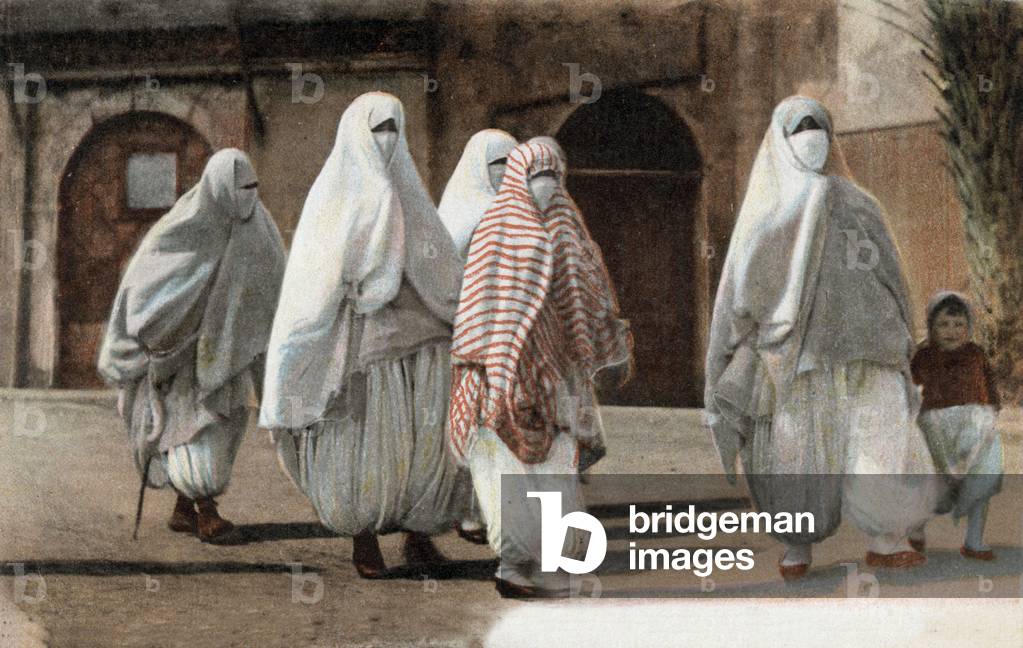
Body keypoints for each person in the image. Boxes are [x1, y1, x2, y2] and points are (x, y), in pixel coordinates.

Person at [704, 96, 941, 580]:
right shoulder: (766, 211)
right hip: (796, 355)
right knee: (796, 450)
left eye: (820, 127)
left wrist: (902, 331)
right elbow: (738, 292)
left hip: (868, 345)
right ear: (780, 140)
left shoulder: (860, 202)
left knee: (878, 436)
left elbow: (893, 274)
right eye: (800, 128)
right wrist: (729, 352)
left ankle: (886, 536)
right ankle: (797, 544)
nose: (812, 136)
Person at [260, 92, 465, 578]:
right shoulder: (334, 195)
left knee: (424, 441)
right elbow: (314, 278)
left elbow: (440, 269)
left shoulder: (413, 196)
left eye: (395, 129)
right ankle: (364, 539)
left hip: (421, 343)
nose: (387, 140)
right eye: (378, 130)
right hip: (360, 345)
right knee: (362, 442)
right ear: (356, 133)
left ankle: (419, 536)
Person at [449, 140, 633, 597]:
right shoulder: (497, 227)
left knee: (557, 467)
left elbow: (592, 295)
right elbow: (480, 304)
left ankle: (552, 565)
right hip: (502, 373)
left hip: (560, 377)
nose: (547, 186)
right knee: (507, 468)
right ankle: (512, 566)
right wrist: (495, 364)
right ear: (519, 179)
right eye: (537, 176)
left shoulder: (571, 227)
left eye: (554, 176)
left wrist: (601, 348)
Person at [98, 148, 286, 542]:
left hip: (228, 353)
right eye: (239, 188)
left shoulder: (258, 228)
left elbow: (272, 284)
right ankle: (206, 511)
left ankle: (185, 506)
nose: (248, 196)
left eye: (253, 187)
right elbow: (147, 283)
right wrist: (160, 334)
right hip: (182, 357)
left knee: (222, 426)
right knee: (196, 430)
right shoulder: (184, 225)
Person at [438, 128, 518, 545]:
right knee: (470, 423)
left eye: (512, 163)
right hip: (467, 333)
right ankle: (468, 512)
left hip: (505, 333)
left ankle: (491, 510)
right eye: (497, 164)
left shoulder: (516, 210)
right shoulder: (463, 213)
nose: (506, 172)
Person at [910, 291, 1003, 560]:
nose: (952, 331)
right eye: (943, 325)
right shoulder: (923, 356)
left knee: (982, 478)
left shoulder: (976, 355)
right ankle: (916, 529)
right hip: (935, 427)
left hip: (975, 425)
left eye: (959, 324)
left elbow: (990, 390)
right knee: (930, 482)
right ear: (931, 327)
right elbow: (911, 390)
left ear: (969, 327)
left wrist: (990, 415)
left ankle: (974, 539)